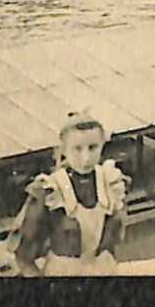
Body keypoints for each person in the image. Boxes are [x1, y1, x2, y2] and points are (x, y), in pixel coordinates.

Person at [13, 112, 129, 276]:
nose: (86, 158)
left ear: (102, 145)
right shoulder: (51, 189)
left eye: (93, 147)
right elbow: (24, 256)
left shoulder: (110, 182)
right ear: (64, 149)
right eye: (77, 149)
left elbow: (115, 237)